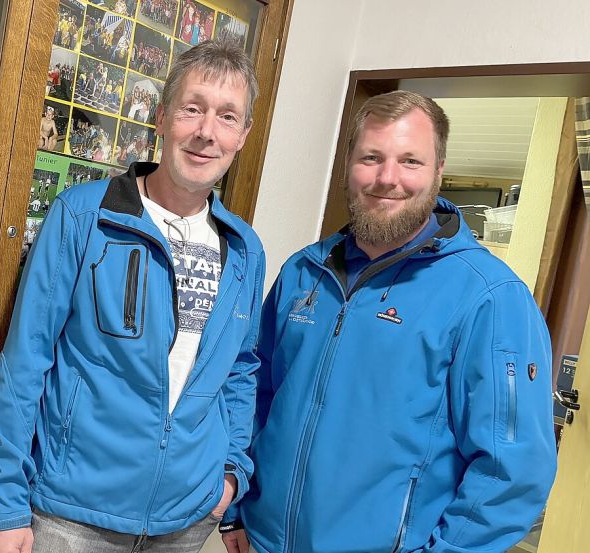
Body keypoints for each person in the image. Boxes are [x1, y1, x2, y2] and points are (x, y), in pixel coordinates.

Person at [222, 91, 556, 553]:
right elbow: (254, 396)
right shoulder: (305, 272)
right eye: (371, 157)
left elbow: (512, 471)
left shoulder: (490, 298)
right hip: (262, 541)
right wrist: (238, 509)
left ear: (439, 170)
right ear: (348, 166)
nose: (387, 178)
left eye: (410, 161)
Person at [0, 41, 263, 553]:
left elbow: (240, 371)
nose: (206, 132)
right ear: (161, 118)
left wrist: (229, 478)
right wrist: (4, 505)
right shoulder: (84, 216)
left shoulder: (244, 248)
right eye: (192, 109)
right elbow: (24, 364)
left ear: (242, 136)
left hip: (185, 521)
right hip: (70, 519)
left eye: (227, 117)